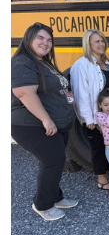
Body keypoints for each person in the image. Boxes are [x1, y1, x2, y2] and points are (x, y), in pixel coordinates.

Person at [11, 22, 78, 220]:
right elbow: (24, 93)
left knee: (52, 161)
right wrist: (47, 120)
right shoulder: (22, 62)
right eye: (40, 38)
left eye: (49, 40)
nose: (45, 43)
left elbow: (56, 89)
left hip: (55, 123)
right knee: (54, 161)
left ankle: (55, 197)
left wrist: (67, 100)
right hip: (31, 124)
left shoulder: (42, 62)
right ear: (28, 39)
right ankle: (42, 205)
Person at [70, 28, 109, 192]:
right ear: (88, 44)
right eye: (97, 41)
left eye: (102, 40)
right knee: (98, 146)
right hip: (98, 117)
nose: (101, 44)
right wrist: (88, 119)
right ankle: (102, 179)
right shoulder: (81, 65)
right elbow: (80, 93)